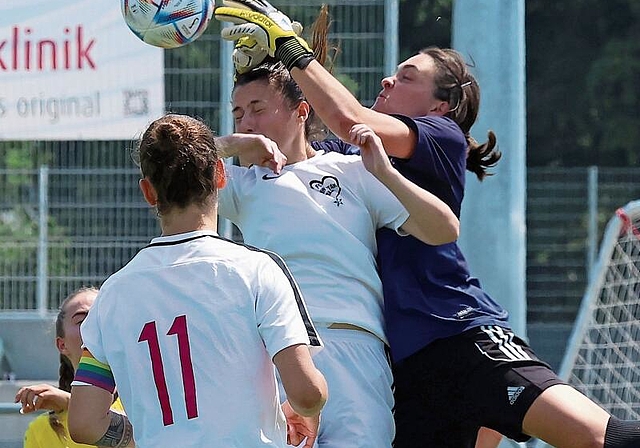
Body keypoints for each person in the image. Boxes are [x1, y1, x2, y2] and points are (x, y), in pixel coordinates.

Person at [213, 2, 640, 447]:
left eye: (407, 77)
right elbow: (300, 134)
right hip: (407, 363)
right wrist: (266, 75)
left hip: (459, 333)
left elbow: (346, 116)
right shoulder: (346, 160)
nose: (387, 80)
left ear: (441, 104)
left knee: (597, 438)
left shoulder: (439, 135)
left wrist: (291, 48)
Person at [213, 54, 460, 447]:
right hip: (276, 352)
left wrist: (387, 173)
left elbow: (443, 229)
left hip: (356, 348)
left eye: (257, 109)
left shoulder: (353, 171)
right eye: (238, 112)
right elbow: (165, 169)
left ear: (301, 112)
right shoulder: (243, 185)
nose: (246, 121)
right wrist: (230, 144)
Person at [67, 114, 328, 448]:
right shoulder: (256, 269)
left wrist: (147, 434)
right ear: (220, 174)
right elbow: (306, 394)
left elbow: (84, 423)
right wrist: (311, 400)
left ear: (148, 192)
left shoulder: (111, 295)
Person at [15, 287, 125, 448]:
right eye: (82, 321)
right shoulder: (42, 431)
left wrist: (70, 403)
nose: (94, 327)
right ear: (62, 345)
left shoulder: (143, 398)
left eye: (102, 317)